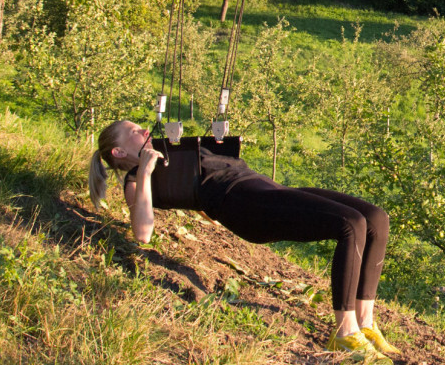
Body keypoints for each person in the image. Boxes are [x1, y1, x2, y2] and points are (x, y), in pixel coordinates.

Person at [88, 120, 401, 363]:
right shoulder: (137, 179)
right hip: (247, 207)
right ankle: (345, 332)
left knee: (375, 218)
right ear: (119, 152)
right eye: (131, 131)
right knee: (350, 224)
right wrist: (144, 171)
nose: (142, 129)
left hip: (269, 192)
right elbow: (142, 234)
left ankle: (365, 324)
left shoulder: (172, 156)